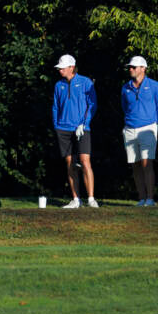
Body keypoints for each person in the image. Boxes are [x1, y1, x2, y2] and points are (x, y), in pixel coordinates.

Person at [50, 54, 98, 208]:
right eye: (59, 68)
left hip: (82, 128)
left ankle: (91, 199)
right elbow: (56, 106)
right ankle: (76, 199)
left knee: (84, 161)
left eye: (62, 68)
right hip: (63, 129)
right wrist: (57, 125)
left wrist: (84, 124)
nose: (60, 70)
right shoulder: (59, 85)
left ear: (71, 67)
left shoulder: (85, 82)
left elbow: (92, 105)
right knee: (70, 163)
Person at [120, 56, 158, 206]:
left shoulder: (154, 86)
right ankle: (141, 198)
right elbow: (125, 107)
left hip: (148, 128)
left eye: (133, 67)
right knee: (135, 164)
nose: (130, 69)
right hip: (129, 129)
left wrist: (151, 122)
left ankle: (150, 199)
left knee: (147, 163)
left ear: (143, 68)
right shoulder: (126, 87)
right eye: (130, 67)